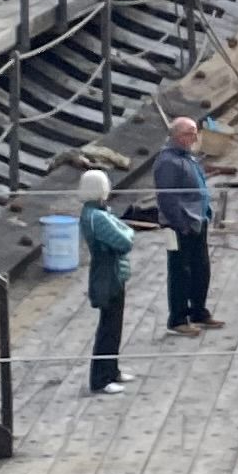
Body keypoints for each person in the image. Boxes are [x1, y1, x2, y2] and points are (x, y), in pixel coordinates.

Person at [152, 114, 215, 335]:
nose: (195, 137)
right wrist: (181, 224)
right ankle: (178, 318)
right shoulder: (168, 161)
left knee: (201, 269)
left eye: (195, 132)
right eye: (190, 133)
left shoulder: (188, 157)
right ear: (178, 136)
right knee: (180, 272)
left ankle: (199, 311)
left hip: (198, 220)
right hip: (181, 226)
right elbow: (166, 198)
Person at [76, 167, 135, 393]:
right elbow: (125, 240)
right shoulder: (98, 218)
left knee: (114, 325)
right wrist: (127, 231)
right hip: (108, 276)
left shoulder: (96, 213)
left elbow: (123, 231)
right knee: (108, 327)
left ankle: (112, 369)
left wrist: (125, 230)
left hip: (111, 273)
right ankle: (100, 378)